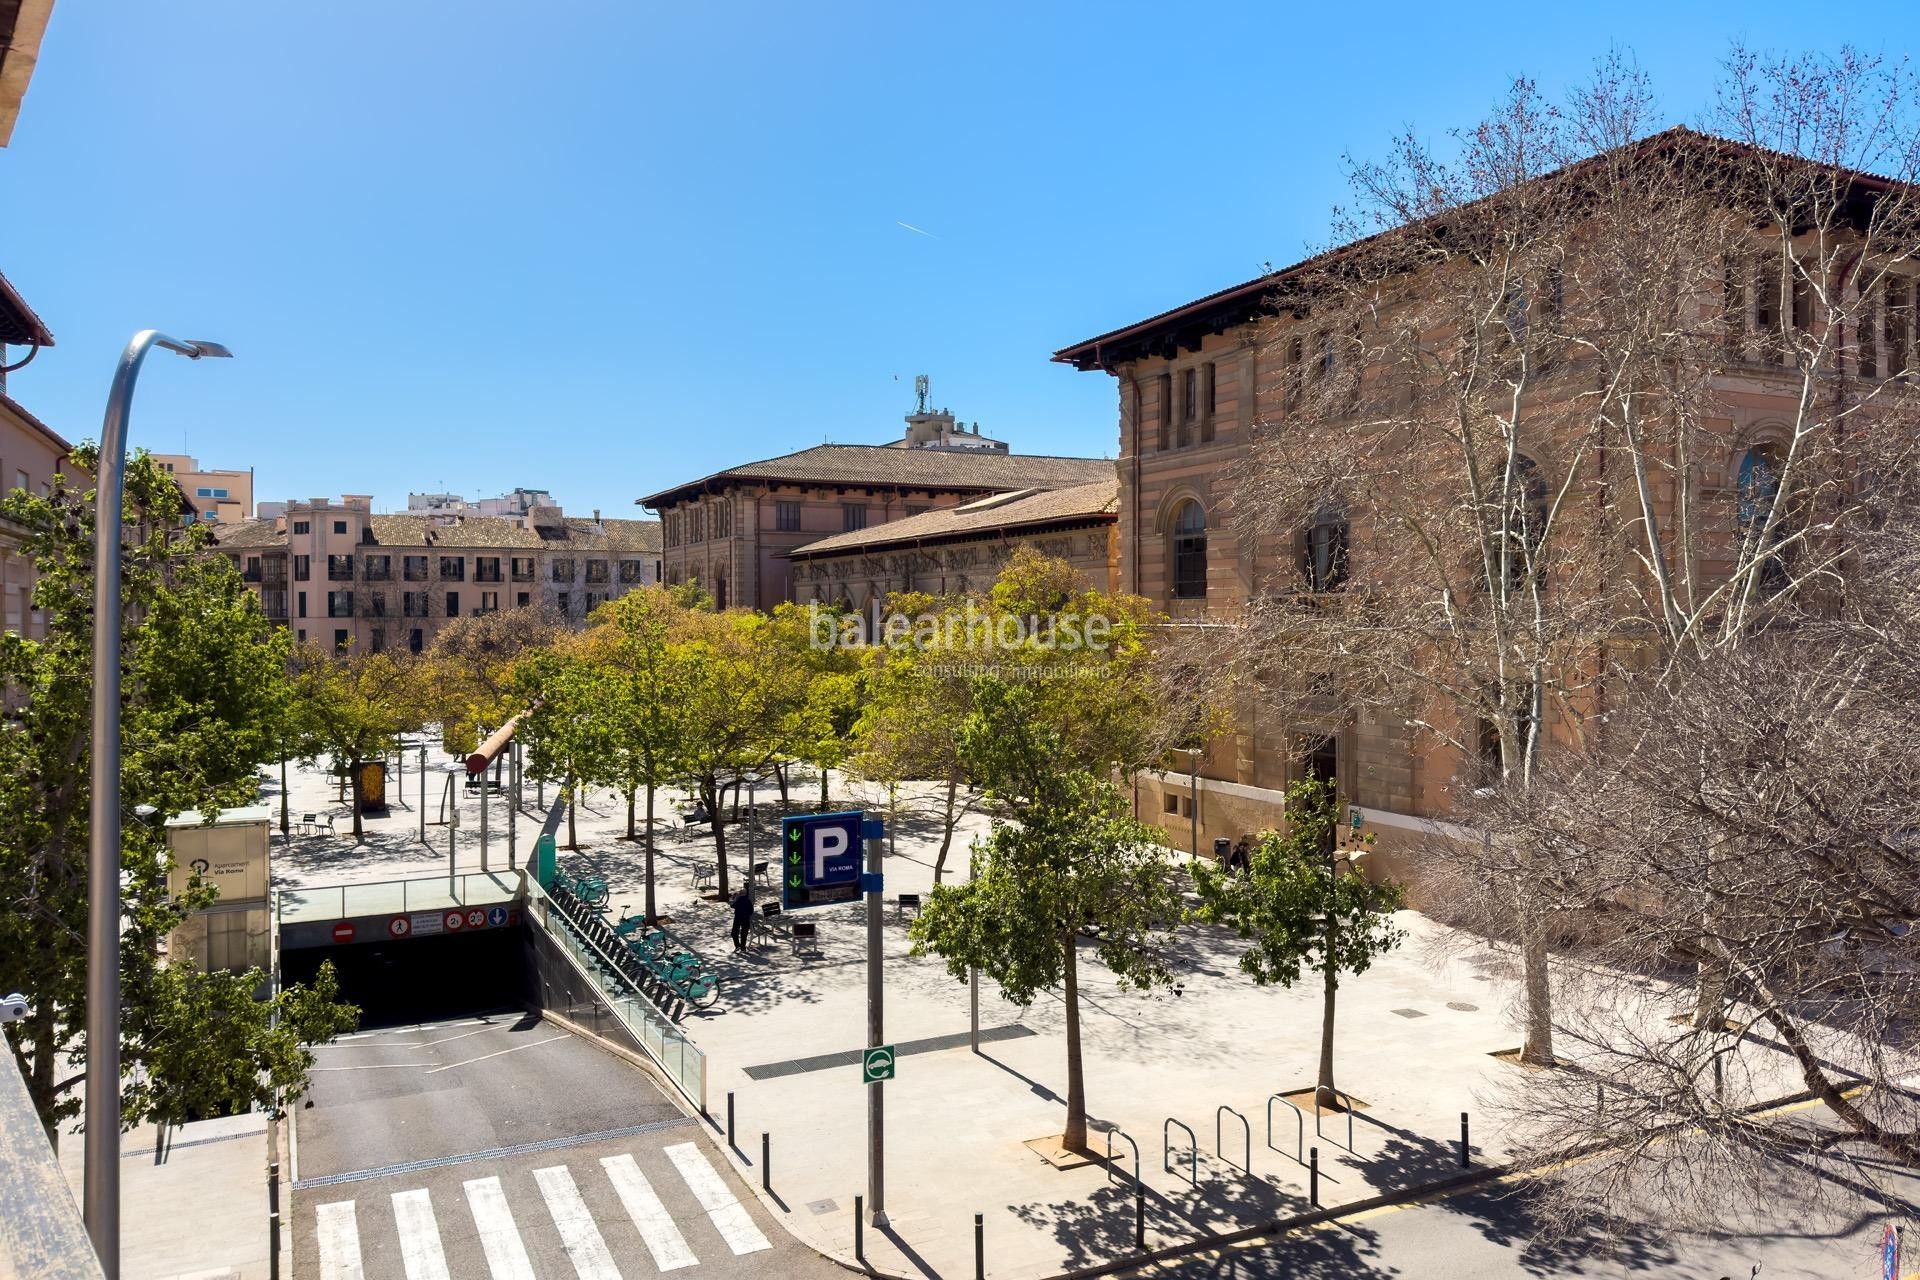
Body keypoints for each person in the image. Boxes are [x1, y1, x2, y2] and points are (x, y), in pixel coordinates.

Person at [730, 886, 754, 952]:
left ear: (740, 894)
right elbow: (751, 911)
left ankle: (737, 945)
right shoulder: (748, 901)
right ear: (746, 894)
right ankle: (743, 947)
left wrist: (734, 898)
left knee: (734, 932)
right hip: (746, 919)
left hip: (737, 918)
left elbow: (732, 905)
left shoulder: (738, 900)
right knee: (744, 933)